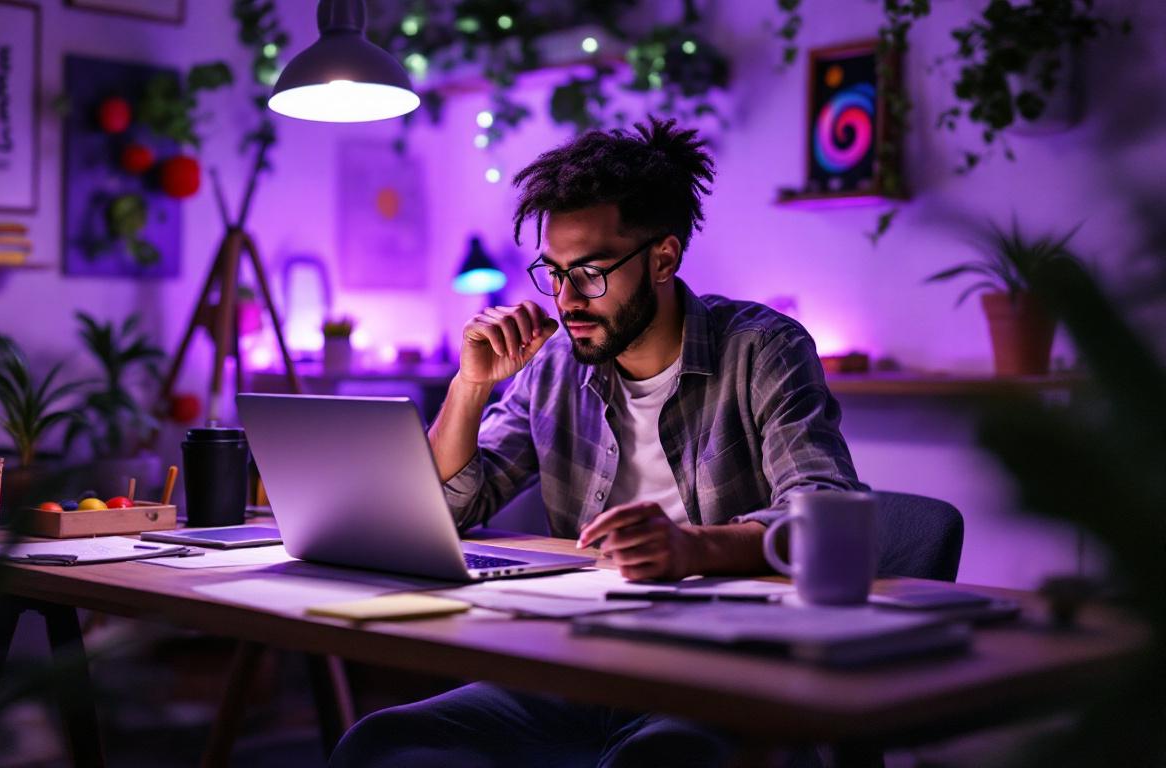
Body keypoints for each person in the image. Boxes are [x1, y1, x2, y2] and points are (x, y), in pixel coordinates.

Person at [329, 117, 865, 767]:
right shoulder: (558, 364)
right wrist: (469, 387)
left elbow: (826, 511)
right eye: (553, 273)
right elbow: (445, 509)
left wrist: (689, 548)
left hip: (717, 673)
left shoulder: (763, 349)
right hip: (581, 664)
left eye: (589, 272)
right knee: (380, 743)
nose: (566, 300)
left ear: (663, 257)